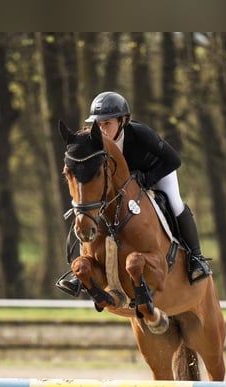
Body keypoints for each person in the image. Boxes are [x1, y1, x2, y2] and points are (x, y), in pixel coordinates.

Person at [56, 91, 211, 297]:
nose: (102, 129)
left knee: (175, 204)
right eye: (98, 124)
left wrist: (147, 178)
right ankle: (81, 273)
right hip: (123, 187)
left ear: (123, 121)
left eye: (107, 123)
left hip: (157, 172)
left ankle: (196, 258)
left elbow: (174, 160)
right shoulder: (94, 141)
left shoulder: (140, 134)